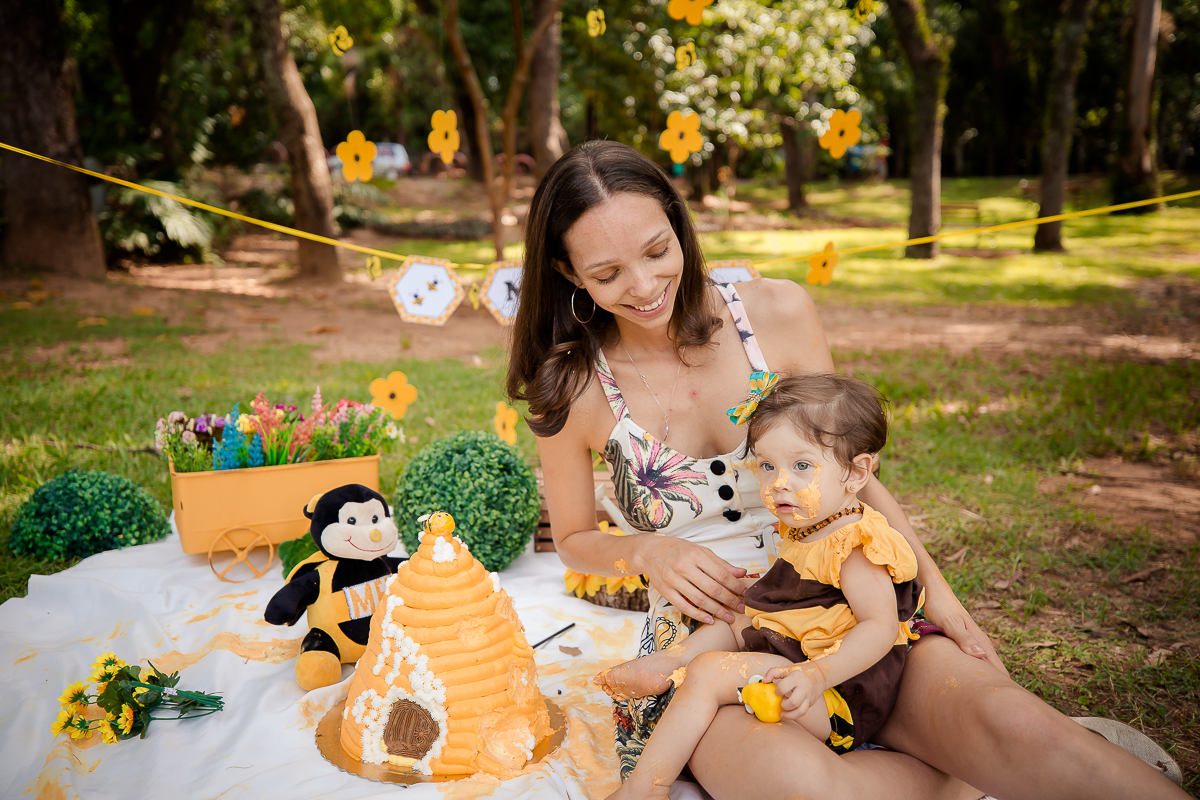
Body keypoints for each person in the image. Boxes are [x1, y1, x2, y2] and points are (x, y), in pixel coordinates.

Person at [506, 140, 1185, 799]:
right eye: (608, 274)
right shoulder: (573, 387)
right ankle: (970, 777)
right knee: (801, 787)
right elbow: (573, 539)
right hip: (717, 637)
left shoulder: (775, 313)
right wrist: (648, 550)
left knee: (1018, 726)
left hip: (849, 595)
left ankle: (1010, 760)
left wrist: (943, 603)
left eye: (658, 252)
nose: (646, 286)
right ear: (569, 274)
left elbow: (849, 479)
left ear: (680, 225)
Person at [597, 373, 937, 799]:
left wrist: (815, 675)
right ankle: (670, 660)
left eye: (801, 466)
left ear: (856, 473)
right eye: (767, 466)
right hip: (800, 655)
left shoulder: (855, 544)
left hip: (838, 695)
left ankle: (648, 786)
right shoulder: (809, 526)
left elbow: (880, 627)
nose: (779, 483)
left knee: (708, 673)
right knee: (742, 612)